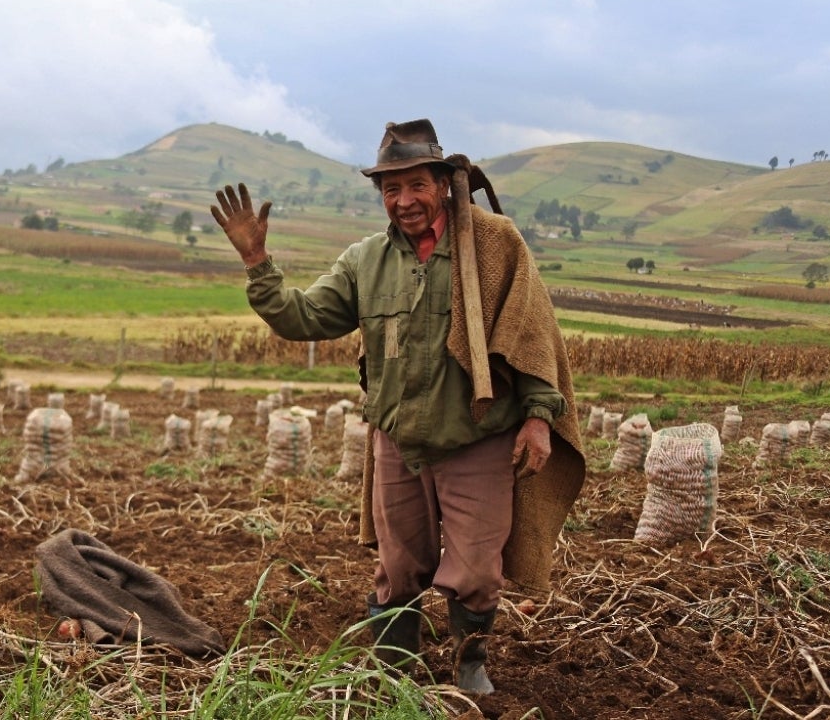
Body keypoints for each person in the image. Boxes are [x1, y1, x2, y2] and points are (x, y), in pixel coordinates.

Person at [209, 118, 586, 694]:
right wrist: (258, 263)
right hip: (399, 442)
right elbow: (304, 318)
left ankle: (469, 663)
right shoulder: (365, 260)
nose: (404, 201)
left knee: (478, 568)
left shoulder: (492, 244)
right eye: (391, 189)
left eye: (416, 186)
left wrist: (538, 417)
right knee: (399, 566)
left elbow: (532, 333)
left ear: (441, 183)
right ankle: (394, 670)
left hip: (477, 437)